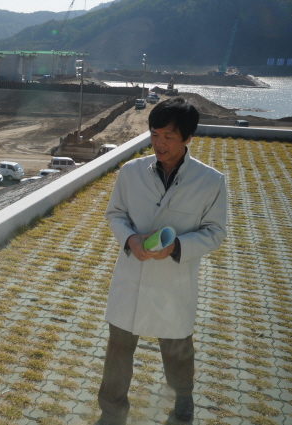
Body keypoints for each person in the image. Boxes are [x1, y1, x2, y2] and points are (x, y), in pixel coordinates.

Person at [97, 97, 227, 424]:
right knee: (118, 350)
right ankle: (112, 411)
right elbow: (115, 214)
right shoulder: (131, 172)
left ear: (188, 137)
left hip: (174, 282)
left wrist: (178, 246)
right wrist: (130, 238)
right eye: (154, 135)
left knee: (177, 349)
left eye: (168, 136)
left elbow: (215, 232)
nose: (159, 143)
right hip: (132, 277)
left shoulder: (210, 181)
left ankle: (183, 398)